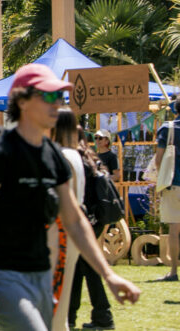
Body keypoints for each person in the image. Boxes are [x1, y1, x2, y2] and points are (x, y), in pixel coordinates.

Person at [0, 64, 141, 330]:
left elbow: (75, 219)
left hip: (42, 274)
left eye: (60, 97)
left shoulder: (52, 155)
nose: (57, 103)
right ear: (21, 101)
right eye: (48, 97)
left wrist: (109, 275)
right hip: (1, 276)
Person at [68, 124, 116, 330]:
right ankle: (72, 317)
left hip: (83, 220)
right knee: (78, 268)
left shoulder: (75, 160)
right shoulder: (91, 159)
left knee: (85, 267)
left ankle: (103, 317)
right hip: (95, 220)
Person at [47, 108, 87, 331]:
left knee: (54, 310)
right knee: (59, 310)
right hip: (69, 233)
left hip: (59, 232)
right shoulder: (75, 155)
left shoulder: (61, 156)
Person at [155, 111, 180, 282]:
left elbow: (158, 159)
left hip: (173, 182)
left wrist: (160, 178)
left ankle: (173, 271)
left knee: (174, 229)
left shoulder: (167, 128)